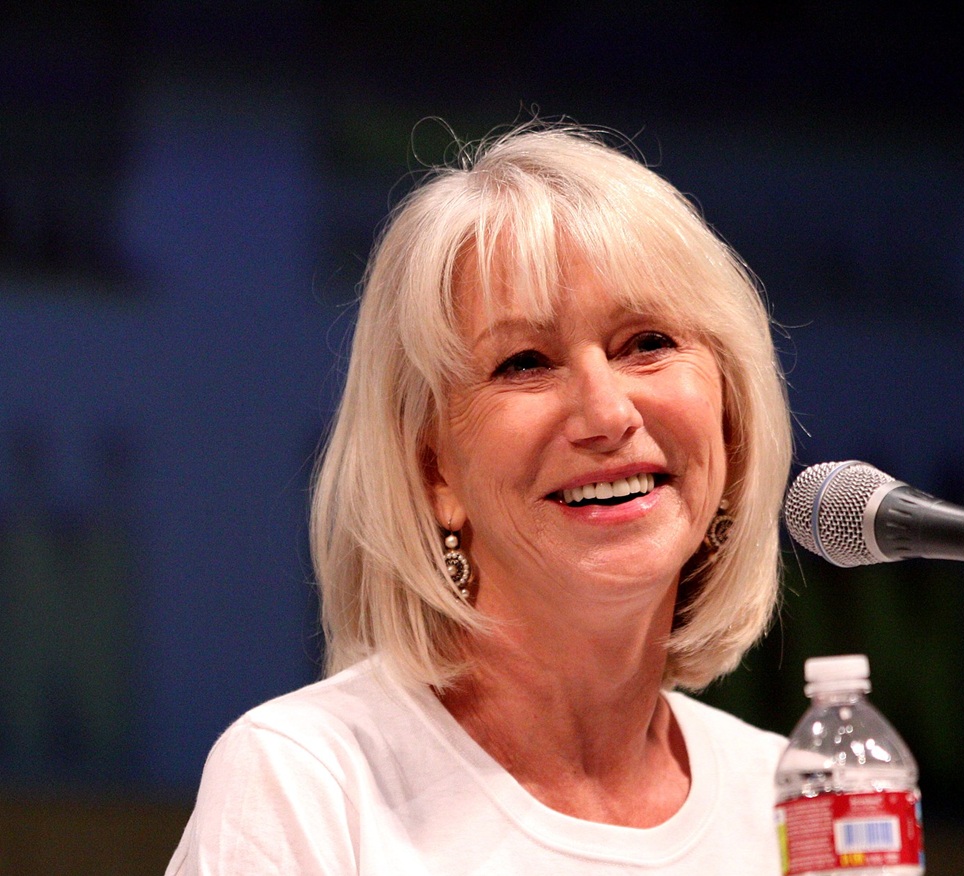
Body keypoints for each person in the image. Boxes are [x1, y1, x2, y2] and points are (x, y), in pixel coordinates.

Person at [165, 121, 793, 874]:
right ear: (433, 470)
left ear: (729, 416)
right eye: (524, 362)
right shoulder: (305, 782)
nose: (606, 413)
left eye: (647, 343)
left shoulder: (804, 802)